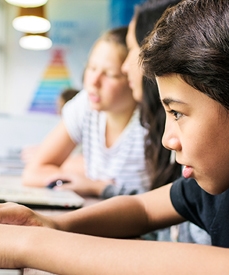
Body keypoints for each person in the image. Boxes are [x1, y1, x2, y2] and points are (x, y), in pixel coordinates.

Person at [0, 0, 229, 273]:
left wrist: (26, 244)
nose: (167, 139)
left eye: (177, 113)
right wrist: (55, 225)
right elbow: (142, 209)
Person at [22, 26, 150, 199]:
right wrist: (81, 178)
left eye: (110, 74)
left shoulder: (151, 121)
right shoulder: (85, 104)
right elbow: (34, 172)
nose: (93, 81)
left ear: (133, 77)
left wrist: (93, 185)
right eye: (91, 67)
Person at [122, 0, 210, 244]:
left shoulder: (218, 172)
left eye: (131, 49)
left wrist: (33, 243)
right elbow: (146, 209)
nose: (125, 65)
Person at [20, 88, 80, 164]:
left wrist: (43, 155)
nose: (58, 111)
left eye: (59, 106)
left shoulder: (75, 129)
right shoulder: (64, 128)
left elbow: (70, 155)